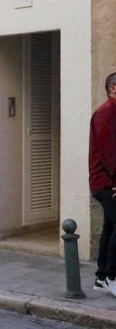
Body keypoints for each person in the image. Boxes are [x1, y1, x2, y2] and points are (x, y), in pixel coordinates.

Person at [90, 72, 116, 296]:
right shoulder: (106, 113)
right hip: (106, 182)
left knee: (110, 227)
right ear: (113, 88)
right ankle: (111, 276)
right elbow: (109, 152)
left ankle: (100, 278)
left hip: (109, 180)